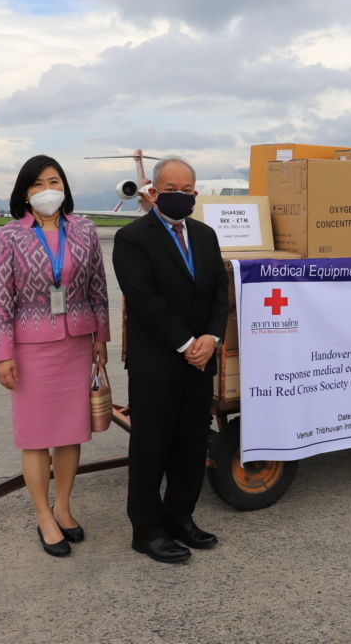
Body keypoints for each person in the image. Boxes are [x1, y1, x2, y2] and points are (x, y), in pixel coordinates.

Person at [0, 155, 110, 557]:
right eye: (38, 184)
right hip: (30, 348)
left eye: (54, 181)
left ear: (65, 187)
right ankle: (43, 515)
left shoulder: (86, 231)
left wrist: (101, 338)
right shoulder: (8, 236)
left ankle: (64, 506)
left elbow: (98, 287)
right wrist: (3, 354)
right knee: (37, 435)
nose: (47, 190)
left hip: (77, 342)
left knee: (71, 431)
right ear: (25, 192)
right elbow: (2, 302)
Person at [112, 155, 229, 564]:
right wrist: (187, 344)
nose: (179, 196)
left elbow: (219, 293)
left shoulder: (205, 235)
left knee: (189, 445)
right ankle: (147, 531)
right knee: (151, 449)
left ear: (195, 194)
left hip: (199, 362)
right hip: (158, 364)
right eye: (171, 190)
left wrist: (212, 339)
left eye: (186, 190)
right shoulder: (133, 238)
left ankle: (180, 516)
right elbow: (145, 301)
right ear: (155, 192)